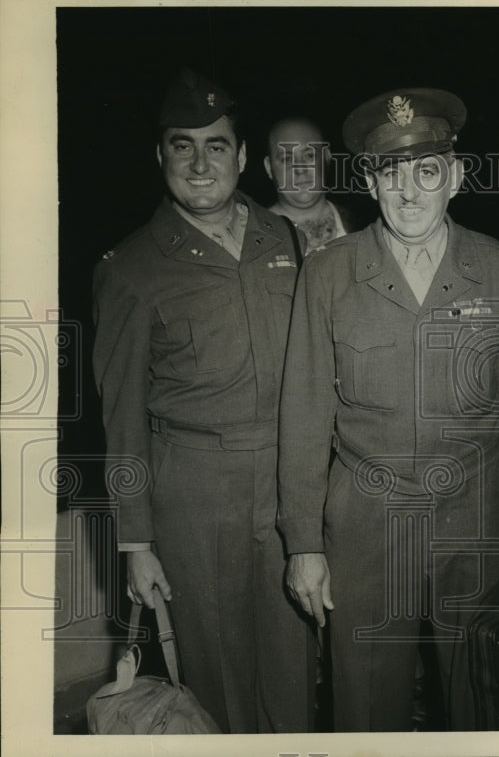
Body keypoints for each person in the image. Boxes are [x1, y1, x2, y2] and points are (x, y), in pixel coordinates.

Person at [277, 88, 499, 731]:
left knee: (479, 700)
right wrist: (304, 544)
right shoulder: (329, 274)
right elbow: (305, 412)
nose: (409, 191)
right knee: (366, 709)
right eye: (390, 172)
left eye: (426, 171)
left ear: (453, 177)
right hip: (368, 531)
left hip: (475, 524)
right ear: (369, 182)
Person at [92, 68, 314, 733]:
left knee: (294, 662)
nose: (198, 162)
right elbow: (121, 415)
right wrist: (135, 542)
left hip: (283, 483)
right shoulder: (129, 268)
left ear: (241, 157)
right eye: (181, 145)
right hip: (193, 491)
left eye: (215, 145)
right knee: (216, 672)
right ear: (160, 157)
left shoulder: (285, 239)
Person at [263, 115, 357, 255]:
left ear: (326, 157)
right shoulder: (253, 235)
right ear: (269, 167)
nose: (300, 169)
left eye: (309, 156)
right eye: (287, 159)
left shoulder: (361, 226)